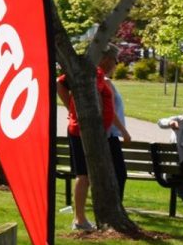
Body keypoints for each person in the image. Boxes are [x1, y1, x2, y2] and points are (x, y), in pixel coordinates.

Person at [55, 58, 116, 231]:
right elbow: (59, 83)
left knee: (88, 176)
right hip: (82, 131)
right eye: (114, 59)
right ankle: (79, 219)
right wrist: (72, 110)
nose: (115, 64)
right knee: (84, 175)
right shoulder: (90, 73)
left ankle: (84, 217)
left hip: (93, 132)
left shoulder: (97, 75)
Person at [100, 51, 129, 198]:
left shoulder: (99, 81)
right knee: (120, 174)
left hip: (107, 134)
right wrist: (124, 132)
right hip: (109, 135)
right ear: (105, 59)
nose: (116, 66)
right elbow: (110, 112)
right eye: (115, 61)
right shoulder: (105, 82)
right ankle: (116, 206)